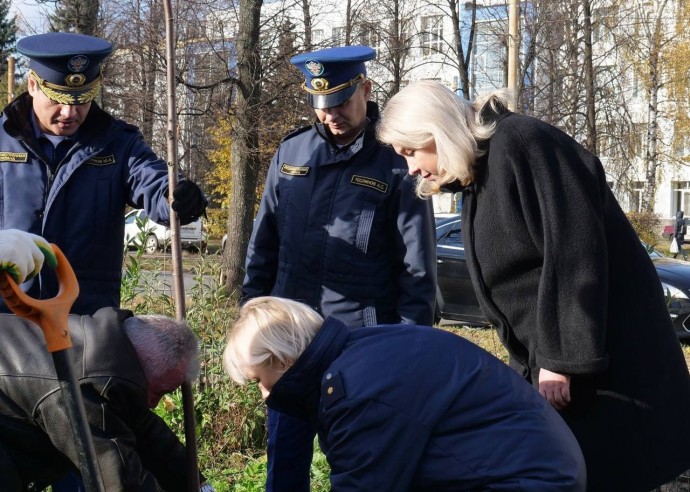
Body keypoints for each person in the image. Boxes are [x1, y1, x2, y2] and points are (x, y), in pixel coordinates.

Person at [376, 80, 690, 491]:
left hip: (609, 370)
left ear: (437, 130)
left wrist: (562, 358)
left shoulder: (523, 143)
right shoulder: (483, 171)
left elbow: (574, 251)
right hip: (565, 371)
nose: (411, 168)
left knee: (634, 471)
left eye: (410, 151)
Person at [241, 46, 437, 491]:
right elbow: (263, 248)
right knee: (284, 465)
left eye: (341, 102)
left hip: (359, 346)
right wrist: (251, 325)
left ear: (365, 90)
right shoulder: (292, 153)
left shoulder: (396, 161)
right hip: (289, 347)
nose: (330, 114)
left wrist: (408, 350)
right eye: (320, 103)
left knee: (360, 468)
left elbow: (417, 271)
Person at [223, 296, 587, 491]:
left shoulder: (354, 394)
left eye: (259, 379)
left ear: (284, 360)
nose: (263, 396)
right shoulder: (362, 352)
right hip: (536, 472)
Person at [0, 32, 207, 315]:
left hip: (85, 324)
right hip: (6, 320)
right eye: (59, 98)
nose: (69, 112)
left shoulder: (117, 143)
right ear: (33, 85)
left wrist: (176, 195)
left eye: (82, 99)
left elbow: (151, 179)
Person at [0, 306, 214, 491]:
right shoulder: (86, 387)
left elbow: (150, 437)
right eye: (158, 391)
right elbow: (117, 482)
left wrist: (202, 487)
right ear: (145, 362)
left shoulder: (113, 352)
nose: (153, 404)